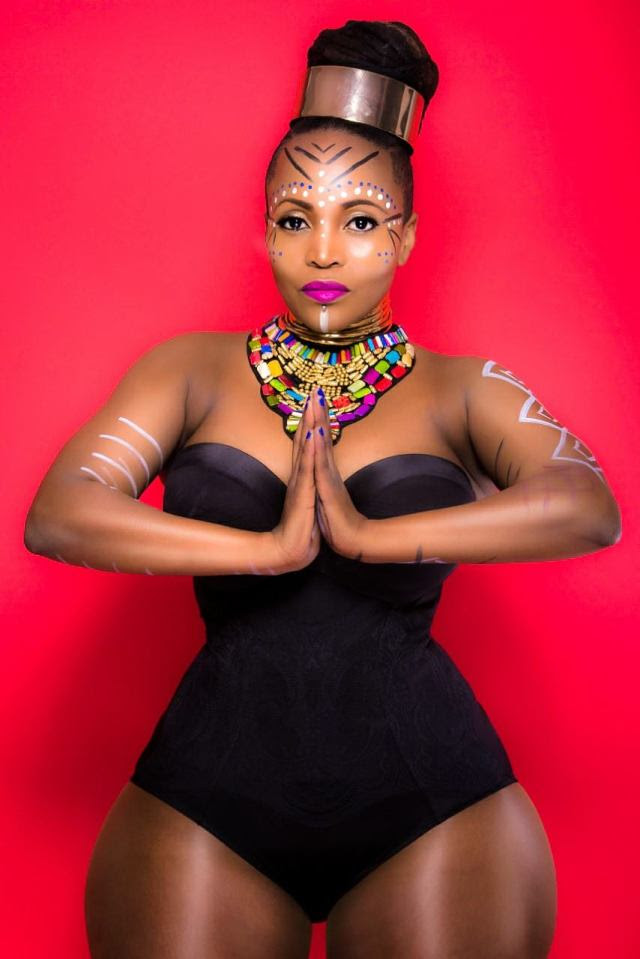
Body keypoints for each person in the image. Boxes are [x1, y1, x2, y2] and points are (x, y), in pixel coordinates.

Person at [24, 19, 621, 959]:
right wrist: (266, 549)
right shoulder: (190, 370)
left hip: (433, 805)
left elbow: (590, 507)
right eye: (297, 217)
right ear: (266, 228)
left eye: (363, 220)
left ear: (407, 236)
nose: (325, 252)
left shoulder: (465, 388)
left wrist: (369, 535)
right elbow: (59, 512)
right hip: (205, 798)